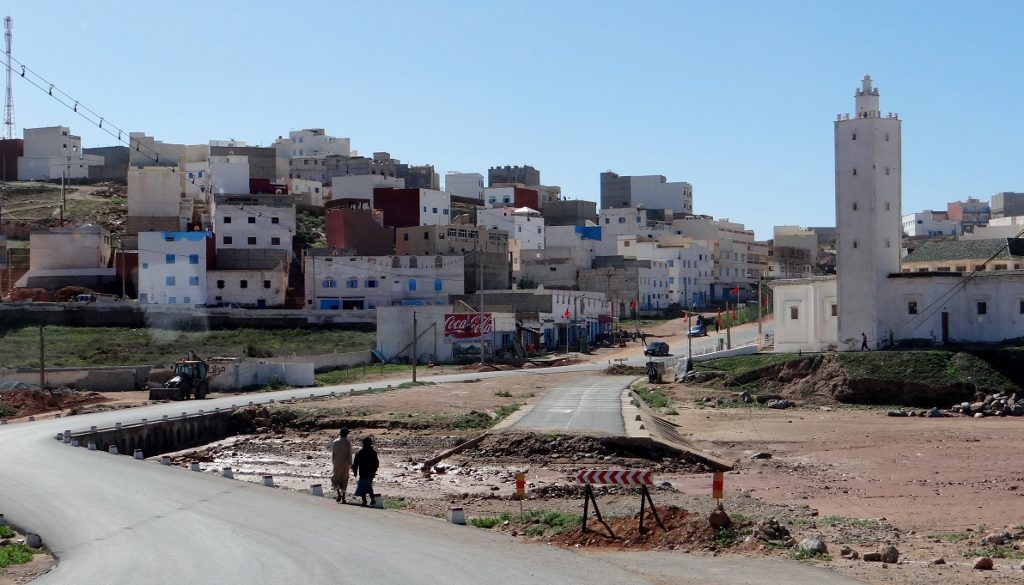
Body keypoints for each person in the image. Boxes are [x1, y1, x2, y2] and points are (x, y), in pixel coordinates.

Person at [351, 436, 379, 507]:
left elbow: (355, 463)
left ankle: (364, 501)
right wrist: (375, 470)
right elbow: (376, 463)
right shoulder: (373, 452)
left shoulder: (360, 452)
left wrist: (355, 472)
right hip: (370, 472)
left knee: (363, 486)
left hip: (362, 472)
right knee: (369, 485)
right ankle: (372, 499)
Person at [330, 427, 352, 503]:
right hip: (345, 464)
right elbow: (349, 454)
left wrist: (333, 463)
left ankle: (338, 493)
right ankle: (343, 497)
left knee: (335, 479)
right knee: (344, 480)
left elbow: (333, 454)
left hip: (337, 463)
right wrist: (350, 464)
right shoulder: (347, 442)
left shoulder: (335, 442)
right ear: (346, 434)